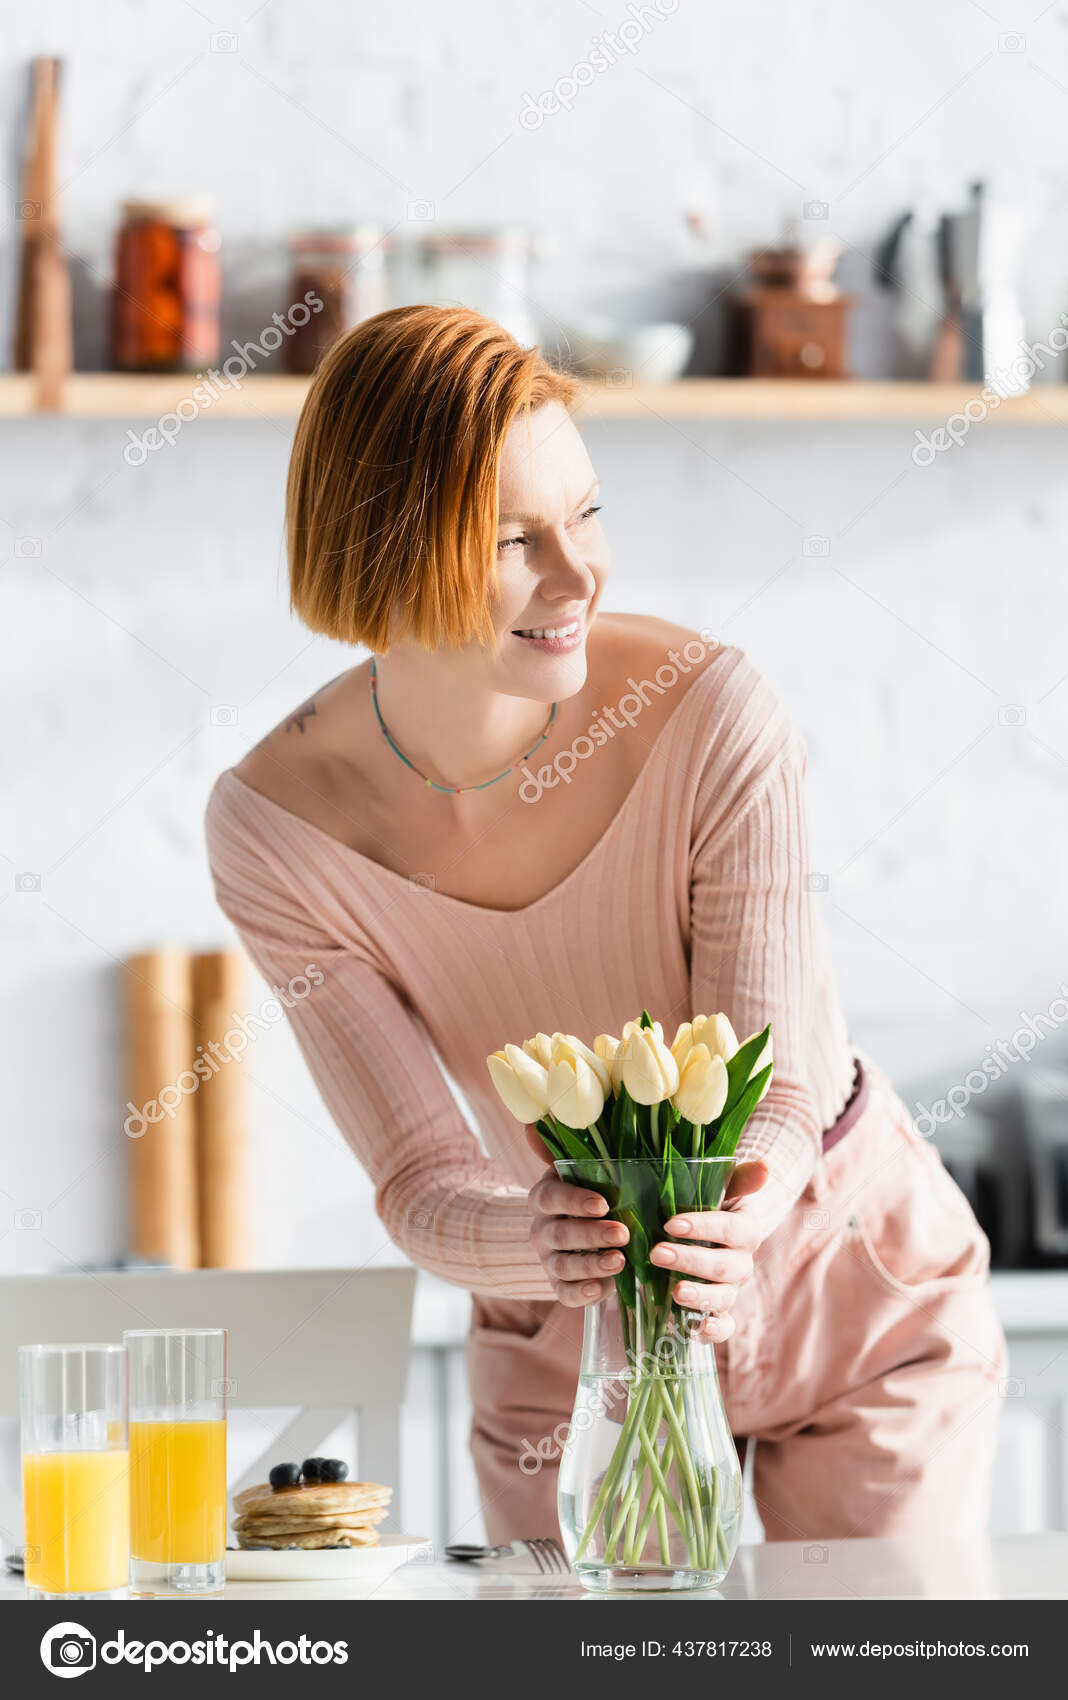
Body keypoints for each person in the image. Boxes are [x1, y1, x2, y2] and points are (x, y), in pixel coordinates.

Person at [206, 304, 1006, 1544]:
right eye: (516, 538)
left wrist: (735, 1212)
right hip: (566, 1318)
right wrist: (540, 1242)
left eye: (586, 512)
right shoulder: (278, 831)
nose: (581, 574)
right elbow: (421, 1179)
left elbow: (778, 1086)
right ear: (385, 547)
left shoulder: (709, 714)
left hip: (844, 1283)